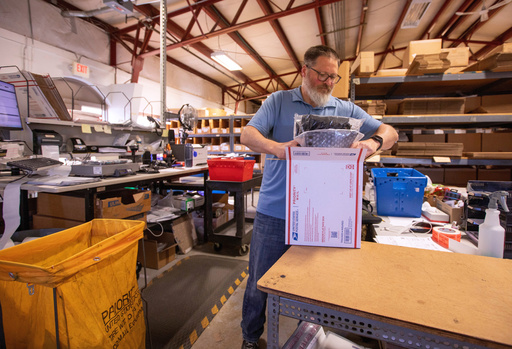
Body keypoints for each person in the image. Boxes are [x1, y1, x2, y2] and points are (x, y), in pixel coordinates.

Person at [239, 45, 398, 349]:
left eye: (333, 77)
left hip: (320, 216)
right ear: (304, 70)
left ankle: (305, 339)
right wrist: (279, 149)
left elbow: (390, 132)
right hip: (275, 213)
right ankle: (249, 338)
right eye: (322, 75)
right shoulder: (279, 101)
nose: (328, 82)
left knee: (309, 286)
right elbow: (248, 135)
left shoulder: (345, 108)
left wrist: (372, 143)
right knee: (259, 283)